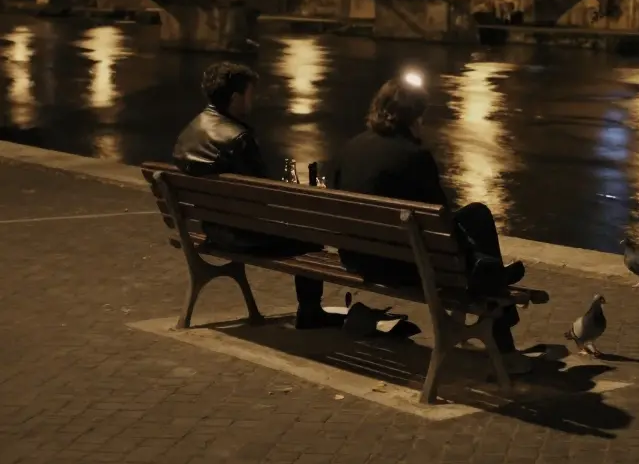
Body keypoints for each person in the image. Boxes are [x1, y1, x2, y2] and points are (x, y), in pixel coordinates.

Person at [330, 72, 538, 374]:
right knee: (477, 215)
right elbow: (443, 225)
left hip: (357, 258)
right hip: (401, 265)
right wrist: (469, 257)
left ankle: (489, 273)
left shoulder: (350, 148)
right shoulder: (414, 157)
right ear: (413, 118)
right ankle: (503, 343)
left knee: (472, 221)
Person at [172, 62, 340, 329]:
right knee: (311, 233)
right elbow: (263, 197)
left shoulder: (188, 132)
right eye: (250, 93)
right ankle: (311, 311)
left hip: (207, 228)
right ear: (236, 98)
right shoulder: (238, 137)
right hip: (242, 237)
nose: (254, 99)